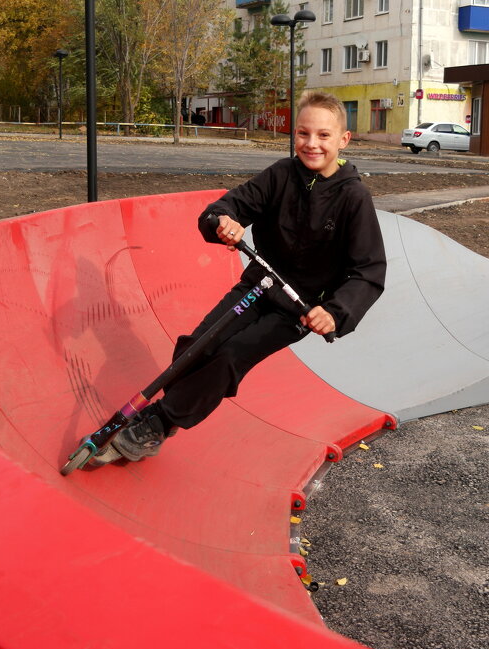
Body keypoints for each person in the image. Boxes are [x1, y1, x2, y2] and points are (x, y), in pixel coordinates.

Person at [110, 91, 387, 462]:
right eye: (303, 134)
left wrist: (335, 312)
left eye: (323, 135)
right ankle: (170, 408)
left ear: (343, 140)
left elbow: (368, 271)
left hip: (298, 309)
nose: (312, 144)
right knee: (200, 345)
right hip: (258, 287)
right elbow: (228, 206)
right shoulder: (281, 175)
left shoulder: (354, 198)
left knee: (231, 356)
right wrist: (223, 221)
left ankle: (159, 423)